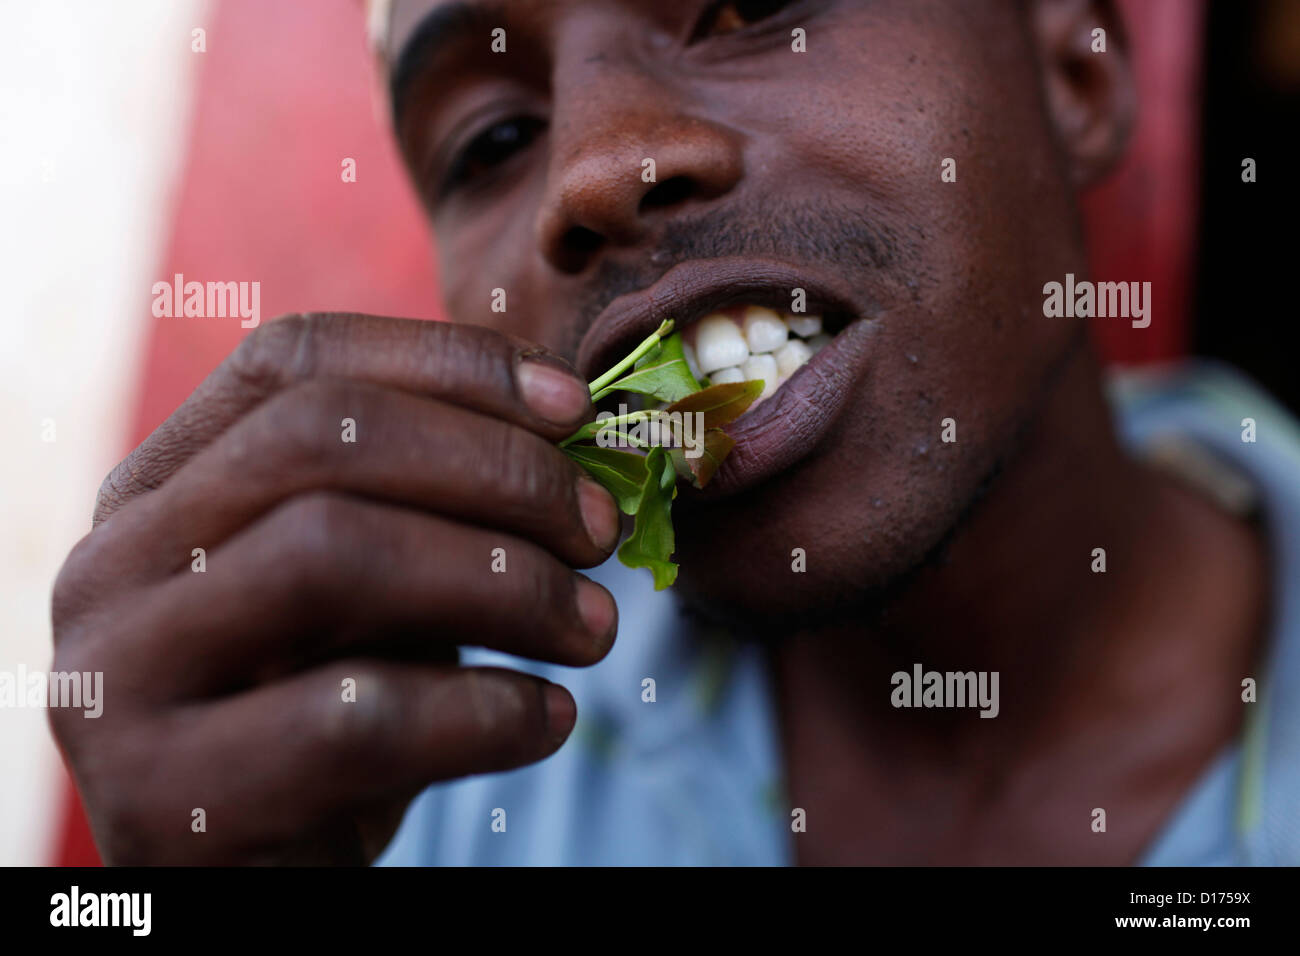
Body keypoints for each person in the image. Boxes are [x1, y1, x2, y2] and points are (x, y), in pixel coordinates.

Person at [50, 0, 1299, 865]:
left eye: (750, 6)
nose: (594, 169)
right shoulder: (407, 773)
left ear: (1074, 77)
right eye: (491, 141)